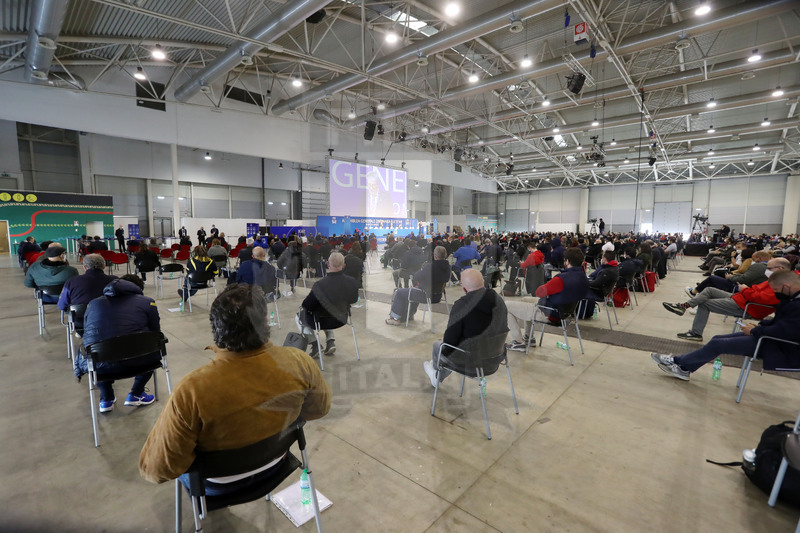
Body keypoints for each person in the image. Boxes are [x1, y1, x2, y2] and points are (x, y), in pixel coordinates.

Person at [139, 284, 330, 492]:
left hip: (216, 482)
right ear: (266, 322)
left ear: (215, 328)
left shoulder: (190, 391)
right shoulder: (300, 362)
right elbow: (318, 409)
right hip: (277, 463)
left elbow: (156, 470)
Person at [651, 270, 800, 381]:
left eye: (776, 290)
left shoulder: (796, 304)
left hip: (781, 346)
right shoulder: (792, 299)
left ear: (787, 286)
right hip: (768, 336)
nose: (775, 294)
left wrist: (757, 330)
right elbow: (781, 323)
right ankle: (681, 364)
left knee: (719, 344)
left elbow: (787, 331)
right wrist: (760, 326)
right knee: (717, 339)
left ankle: (681, 366)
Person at [75, 275, 161, 412]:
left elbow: (88, 335)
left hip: (101, 366)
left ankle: (106, 399)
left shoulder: (92, 304)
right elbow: (156, 332)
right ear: (138, 289)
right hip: (141, 361)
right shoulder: (148, 302)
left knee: (97, 351)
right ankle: (136, 393)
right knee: (151, 347)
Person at [662, 258, 792, 341]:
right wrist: (747, 289)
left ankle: (696, 333)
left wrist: (745, 289)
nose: (767, 271)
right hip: (742, 298)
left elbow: (763, 298)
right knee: (709, 290)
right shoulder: (777, 279)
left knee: (705, 304)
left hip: (747, 306)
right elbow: (757, 291)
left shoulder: (784, 285)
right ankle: (683, 306)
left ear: (780, 269)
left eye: (769, 268)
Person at [423, 269, 509, 387]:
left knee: (438, 345)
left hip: (471, 362)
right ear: (483, 282)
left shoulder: (462, 305)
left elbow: (449, 342)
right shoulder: (499, 300)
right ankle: (436, 370)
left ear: (464, 289)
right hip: (495, 359)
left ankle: (437, 375)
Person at [296, 252, 359, 358]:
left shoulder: (319, 285)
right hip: (342, 319)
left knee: (299, 316)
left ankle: (315, 345)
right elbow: (353, 300)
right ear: (344, 266)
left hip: (321, 321)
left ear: (328, 265)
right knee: (327, 310)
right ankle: (330, 341)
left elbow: (307, 305)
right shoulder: (352, 282)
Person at [385, 245, 451, 325]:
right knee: (414, 290)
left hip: (426, 295)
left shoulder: (430, 267)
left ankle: (394, 318)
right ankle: (410, 314)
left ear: (435, 256)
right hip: (438, 296)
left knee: (399, 292)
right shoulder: (448, 268)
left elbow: (416, 277)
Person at [57, 254, 117, 332]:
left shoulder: (72, 282)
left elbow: (61, 305)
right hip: (109, 320)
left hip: (81, 321)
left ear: (84, 267)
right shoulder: (115, 281)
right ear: (104, 266)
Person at [535, 248, 590, 320]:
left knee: (521, 306)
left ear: (567, 261)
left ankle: (527, 331)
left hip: (553, 314)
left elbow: (538, 293)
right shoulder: (584, 278)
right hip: (568, 312)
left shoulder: (561, 279)